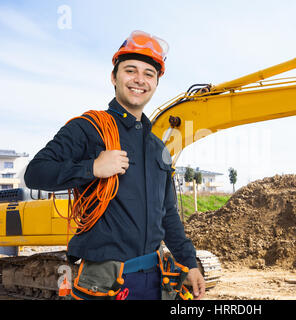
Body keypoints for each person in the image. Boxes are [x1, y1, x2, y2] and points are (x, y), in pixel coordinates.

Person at [24, 30, 205, 300]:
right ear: (114, 77)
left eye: (148, 74)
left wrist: (189, 262)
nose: (139, 80)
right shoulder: (88, 128)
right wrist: (92, 168)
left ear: (155, 83)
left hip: (155, 279)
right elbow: (36, 172)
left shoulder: (158, 148)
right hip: (103, 282)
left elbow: (168, 215)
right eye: (130, 70)